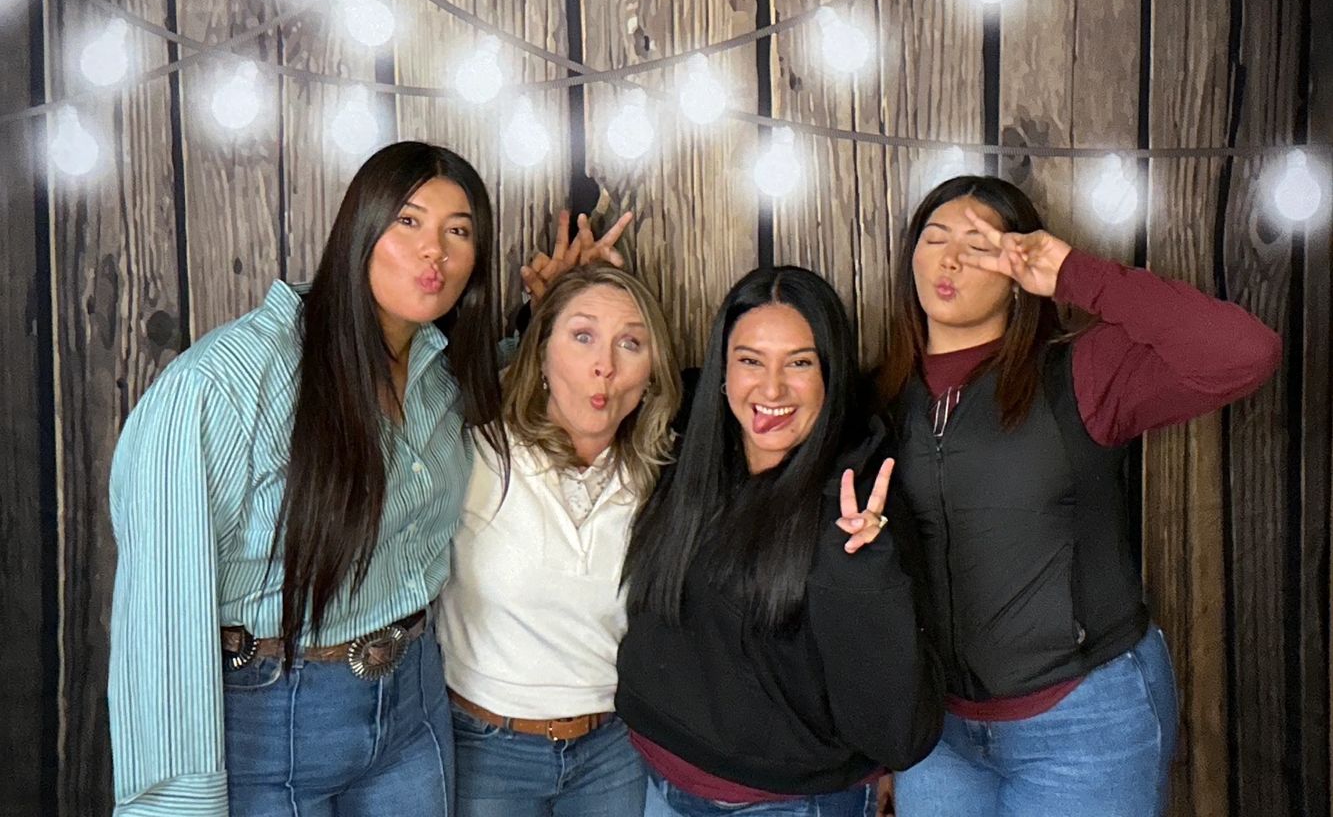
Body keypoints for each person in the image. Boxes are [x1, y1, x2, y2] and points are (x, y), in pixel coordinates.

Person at [107, 142, 624, 816]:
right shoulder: (223, 389)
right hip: (269, 720)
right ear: (359, 229)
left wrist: (556, 311)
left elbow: (523, 383)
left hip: (411, 706)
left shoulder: (443, 371)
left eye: (458, 231)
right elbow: (160, 624)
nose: (432, 250)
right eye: (407, 221)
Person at [881, 175, 1283, 817]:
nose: (950, 258)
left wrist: (1072, 273)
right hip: (938, 734)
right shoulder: (877, 398)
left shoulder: (1080, 374)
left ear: (1019, 270)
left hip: (1083, 721)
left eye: (980, 245)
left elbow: (1245, 353)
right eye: (934, 238)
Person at [617, 266, 944, 817]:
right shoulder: (689, 454)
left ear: (830, 375)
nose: (771, 389)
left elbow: (897, 734)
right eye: (750, 361)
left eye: (799, 363)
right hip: (654, 782)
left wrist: (863, 575)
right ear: (722, 371)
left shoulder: (857, 500)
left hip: (787, 804)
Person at [437, 263, 682, 816]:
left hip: (612, 751)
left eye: (631, 343)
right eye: (583, 336)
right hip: (486, 748)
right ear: (541, 354)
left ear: (652, 374)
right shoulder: (477, 451)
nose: (605, 367)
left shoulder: (664, 480)